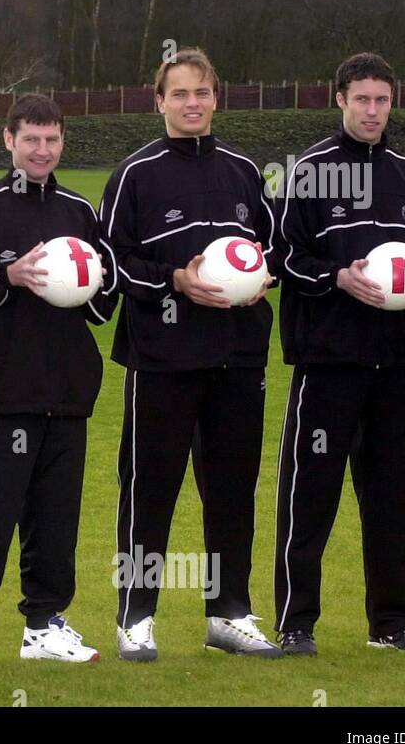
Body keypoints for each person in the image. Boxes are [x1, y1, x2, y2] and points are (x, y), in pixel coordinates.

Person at [103, 48, 281, 662]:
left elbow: (271, 252)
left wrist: (260, 277)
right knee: (149, 487)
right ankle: (136, 613)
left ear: (216, 97)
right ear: (159, 101)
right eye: (180, 94)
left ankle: (228, 612)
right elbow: (115, 262)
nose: (193, 104)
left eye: (202, 93)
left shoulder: (243, 171)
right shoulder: (136, 174)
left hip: (239, 355)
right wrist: (175, 280)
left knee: (233, 486)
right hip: (162, 357)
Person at [0, 93, 115, 668]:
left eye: (52, 139)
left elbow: (103, 305)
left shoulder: (80, 212)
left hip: (66, 393)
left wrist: (93, 285)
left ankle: (45, 623)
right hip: (0, 392)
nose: (42, 150)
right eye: (31, 139)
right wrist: (7, 276)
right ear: (8, 140)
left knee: (56, 520)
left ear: (63, 142)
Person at [274, 52, 405, 655]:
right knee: (309, 492)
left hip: (398, 363)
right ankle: (296, 623)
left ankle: (392, 623)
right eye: (362, 99)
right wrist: (338, 278)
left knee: (392, 494)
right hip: (329, 361)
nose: (373, 111)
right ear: (339, 97)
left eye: (383, 100)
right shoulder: (308, 172)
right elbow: (282, 258)